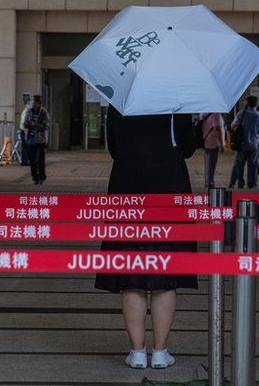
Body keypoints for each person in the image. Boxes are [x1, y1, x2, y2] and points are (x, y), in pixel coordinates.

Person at [94, 106, 196, 370]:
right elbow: (187, 147)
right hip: (170, 186)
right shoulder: (177, 101)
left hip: (127, 185)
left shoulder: (121, 100)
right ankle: (161, 352)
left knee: (131, 272)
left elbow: (114, 148)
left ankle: (137, 352)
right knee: (166, 272)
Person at [229, 96, 259, 189]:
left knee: (240, 165)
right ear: (256, 104)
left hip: (242, 144)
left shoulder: (242, 113)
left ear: (247, 103)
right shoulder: (258, 116)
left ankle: (240, 184)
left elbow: (233, 126)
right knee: (252, 165)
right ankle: (252, 184)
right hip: (254, 144)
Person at [23, 95, 49, 185]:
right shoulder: (29, 112)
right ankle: (35, 177)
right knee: (32, 159)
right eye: (32, 102)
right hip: (30, 139)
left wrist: (36, 124)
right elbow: (25, 123)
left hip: (40, 140)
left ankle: (41, 176)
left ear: (38, 103)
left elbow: (46, 125)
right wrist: (27, 124)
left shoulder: (43, 112)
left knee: (40, 159)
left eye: (34, 102)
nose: (33, 104)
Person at [201, 112, 225, 189]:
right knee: (212, 164)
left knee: (208, 163)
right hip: (213, 142)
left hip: (207, 141)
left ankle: (207, 182)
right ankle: (210, 182)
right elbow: (218, 130)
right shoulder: (216, 114)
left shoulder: (205, 114)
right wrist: (222, 144)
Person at [18, 101, 32, 166]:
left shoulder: (26, 112)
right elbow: (24, 123)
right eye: (29, 104)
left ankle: (25, 161)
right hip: (24, 131)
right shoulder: (26, 112)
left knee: (25, 147)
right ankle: (25, 161)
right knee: (26, 147)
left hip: (24, 131)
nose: (30, 106)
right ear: (26, 105)